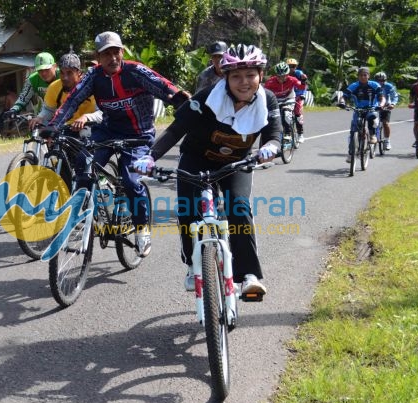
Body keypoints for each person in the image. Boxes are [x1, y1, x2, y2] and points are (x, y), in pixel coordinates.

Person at [133, 43, 281, 299]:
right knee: (188, 211)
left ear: (260, 74)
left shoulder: (267, 99)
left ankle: (248, 275)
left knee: (239, 207)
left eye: (250, 75)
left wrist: (270, 146)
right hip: (196, 160)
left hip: (236, 164)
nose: (243, 82)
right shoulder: (206, 98)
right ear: (225, 77)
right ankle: (192, 266)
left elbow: (275, 134)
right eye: (236, 76)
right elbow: (175, 130)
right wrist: (151, 156)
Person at [45, 31, 190, 258]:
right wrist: (54, 125)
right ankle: (84, 214)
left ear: (122, 52)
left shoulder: (135, 71)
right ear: (98, 56)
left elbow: (162, 86)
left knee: (131, 180)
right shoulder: (93, 76)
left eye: (116, 52)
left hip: (138, 135)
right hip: (107, 132)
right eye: (106, 54)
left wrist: (178, 97)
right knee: (83, 162)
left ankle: (141, 230)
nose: (112, 58)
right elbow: (73, 99)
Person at [28, 52, 102, 130]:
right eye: (62, 73)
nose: (65, 77)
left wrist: (86, 117)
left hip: (90, 127)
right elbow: (48, 109)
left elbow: (102, 113)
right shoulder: (54, 87)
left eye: (69, 73)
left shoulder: (93, 86)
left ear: (79, 73)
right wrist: (40, 117)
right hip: (65, 128)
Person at [337, 67, 385, 163]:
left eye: (365, 75)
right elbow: (344, 96)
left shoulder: (375, 85)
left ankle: (372, 135)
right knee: (353, 131)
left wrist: (381, 105)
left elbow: (381, 98)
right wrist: (342, 102)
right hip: (358, 110)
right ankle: (351, 153)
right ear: (358, 76)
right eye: (361, 75)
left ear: (368, 76)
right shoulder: (354, 86)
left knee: (372, 117)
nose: (363, 77)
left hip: (371, 108)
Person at [4, 52, 59, 119]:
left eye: (47, 69)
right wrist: (14, 110)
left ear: (55, 66)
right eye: (40, 70)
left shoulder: (64, 76)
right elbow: (23, 98)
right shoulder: (33, 79)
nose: (44, 73)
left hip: (65, 112)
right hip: (45, 113)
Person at [263, 61, 303, 143]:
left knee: (286, 113)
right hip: (276, 100)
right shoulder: (270, 82)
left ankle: (288, 133)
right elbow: (263, 93)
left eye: (283, 76)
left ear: (287, 74)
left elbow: (301, 87)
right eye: (279, 76)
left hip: (289, 98)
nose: (281, 78)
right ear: (276, 75)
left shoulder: (292, 80)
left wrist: (303, 81)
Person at [373, 72, 398, 151]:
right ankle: (372, 136)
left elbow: (394, 96)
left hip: (386, 106)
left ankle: (387, 140)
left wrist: (393, 104)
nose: (380, 82)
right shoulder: (372, 85)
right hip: (374, 106)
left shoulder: (389, 86)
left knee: (385, 123)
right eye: (378, 81)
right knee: (372, 122)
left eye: (382, 81)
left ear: (385, 80)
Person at [285, 58, 308, 143]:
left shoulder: (298, 73)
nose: (291, 68)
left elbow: (304, 84)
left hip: (298, 95)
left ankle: (300, 134)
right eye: (289, 66)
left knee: (297, 113)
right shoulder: (284, 74)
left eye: (293, 66)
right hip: (288, 95)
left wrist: (302, 94)